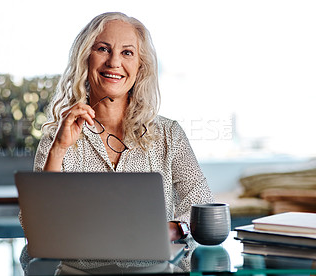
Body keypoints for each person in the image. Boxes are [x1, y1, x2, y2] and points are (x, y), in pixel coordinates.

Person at [20, 11, 214, 274]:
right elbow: (36, 227)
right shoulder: (58, 135)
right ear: (86, 58)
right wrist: (59, 149)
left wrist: (172, 228)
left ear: (140, 66)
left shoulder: (169, 133)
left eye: (127, 53)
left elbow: (200, 199)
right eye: (103, 49)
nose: (114, 62)